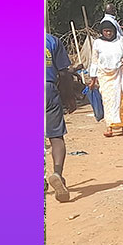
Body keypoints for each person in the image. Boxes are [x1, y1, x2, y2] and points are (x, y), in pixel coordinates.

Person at [88, 21, 123, 138]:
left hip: (120, 75)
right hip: (105, 76)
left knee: (122, 99)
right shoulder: (98, 43)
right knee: (108, 101)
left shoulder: (121, 42)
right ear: (102, 32)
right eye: (106, 31)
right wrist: (93, 80)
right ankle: (109, 127)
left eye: (110, 31)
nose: (108, 33)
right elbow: (94, 61)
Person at [45, 32, 74, 202]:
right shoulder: (52, 40)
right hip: (46, 88)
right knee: (56, 137)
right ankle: (57, 173)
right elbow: (64, 73)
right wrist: (69, 97)